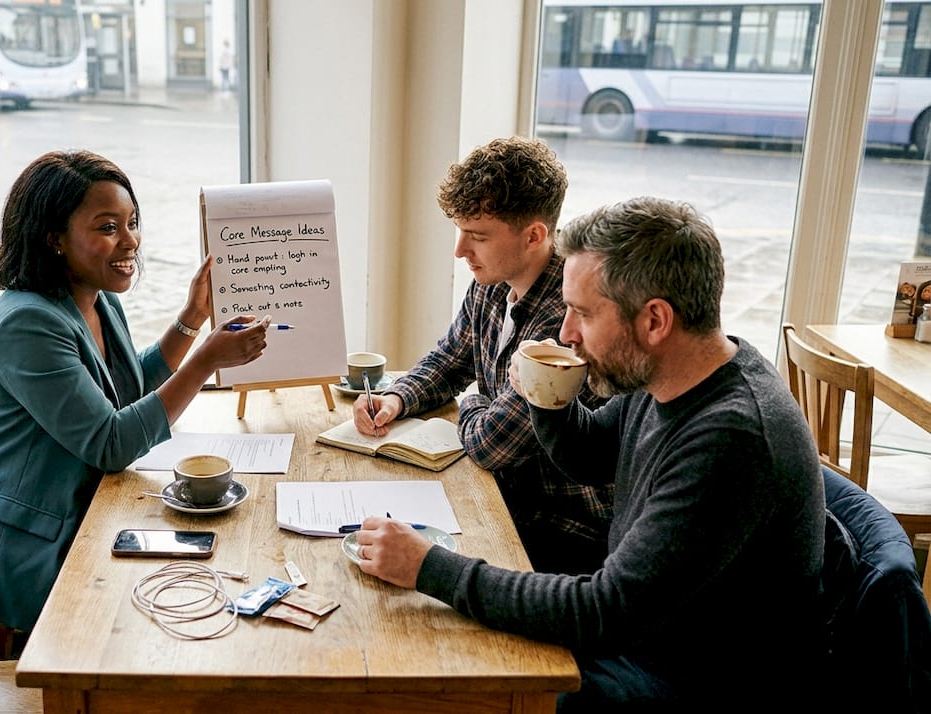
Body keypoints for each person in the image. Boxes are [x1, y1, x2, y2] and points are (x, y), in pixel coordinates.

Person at [352, 197, 824, 711]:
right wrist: (545, 395)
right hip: (645, 636)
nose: (566, 333)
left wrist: (430, 568)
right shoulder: (671, 374)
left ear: (655, 321)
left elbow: (601, 611)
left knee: (429, 676)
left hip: (692, 680)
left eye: (582, 313)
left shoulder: (730, 439)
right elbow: (591, 455)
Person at [0, 150, 269, 633]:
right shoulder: (26, 323)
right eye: (108, 227)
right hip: (20, 542)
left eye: (132, 222)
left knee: (209, 573)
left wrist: (193, 318)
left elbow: (127, 389)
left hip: (82, 508)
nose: (131, 240)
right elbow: (112, 443)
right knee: (176, 608)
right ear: (54, 239)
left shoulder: (94, 298)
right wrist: (206, 362)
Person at [353, 136, 612, 575]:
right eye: (460, 231)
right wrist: (396, 398)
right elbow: (451, 359)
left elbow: (493, 445)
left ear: (534, 236)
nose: (459, 250)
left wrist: (472, 401)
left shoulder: (565, 319)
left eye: (477, 236)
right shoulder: (492, 279)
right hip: (500, 496)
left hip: (558, 530)